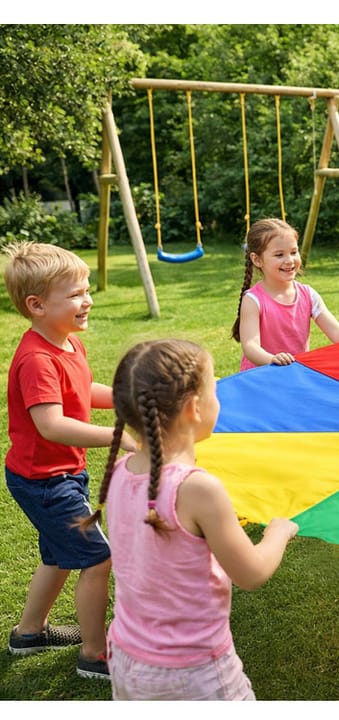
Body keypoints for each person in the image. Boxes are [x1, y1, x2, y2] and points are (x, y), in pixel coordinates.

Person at [80, 339, 300, 700]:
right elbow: (251, 573)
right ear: (194, 408)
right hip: (193, 671)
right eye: (215, 391)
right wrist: (278, 532)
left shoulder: (120, 471)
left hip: (128, 656)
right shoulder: (198, 489)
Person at [4, 241, 137, 681]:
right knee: (98, 558)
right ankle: (96, 655)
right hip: (45, 481)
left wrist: (125, 397)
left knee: (59, 555)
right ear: (37, 305)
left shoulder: (67, 344)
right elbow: (52, 425)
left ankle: (29, 634)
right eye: (76, 294)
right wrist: (119, 437)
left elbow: (82, 390)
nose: (88, 300)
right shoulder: (37, 359)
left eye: (87, 290)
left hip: (57, 475)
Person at [232, 218, 339, 370]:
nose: (290, 260)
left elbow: (336, 331)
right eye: (279, 255)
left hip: (295, 373)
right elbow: (250, 346)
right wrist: (272, 359)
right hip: (261, 377)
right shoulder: (253, 300)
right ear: (257, 260)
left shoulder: (308, 295)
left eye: (294, 252)